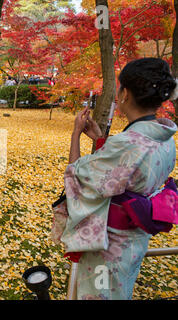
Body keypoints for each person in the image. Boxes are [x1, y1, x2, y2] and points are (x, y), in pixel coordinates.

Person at [52, 58, 178, 300]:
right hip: (135, 239)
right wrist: (100, 140)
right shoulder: (165, 138)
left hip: (109, 245)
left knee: (99, 294)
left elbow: (77, 178)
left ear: (125, 93)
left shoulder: (126, 144)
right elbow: (124, 173)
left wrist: (76, 134)